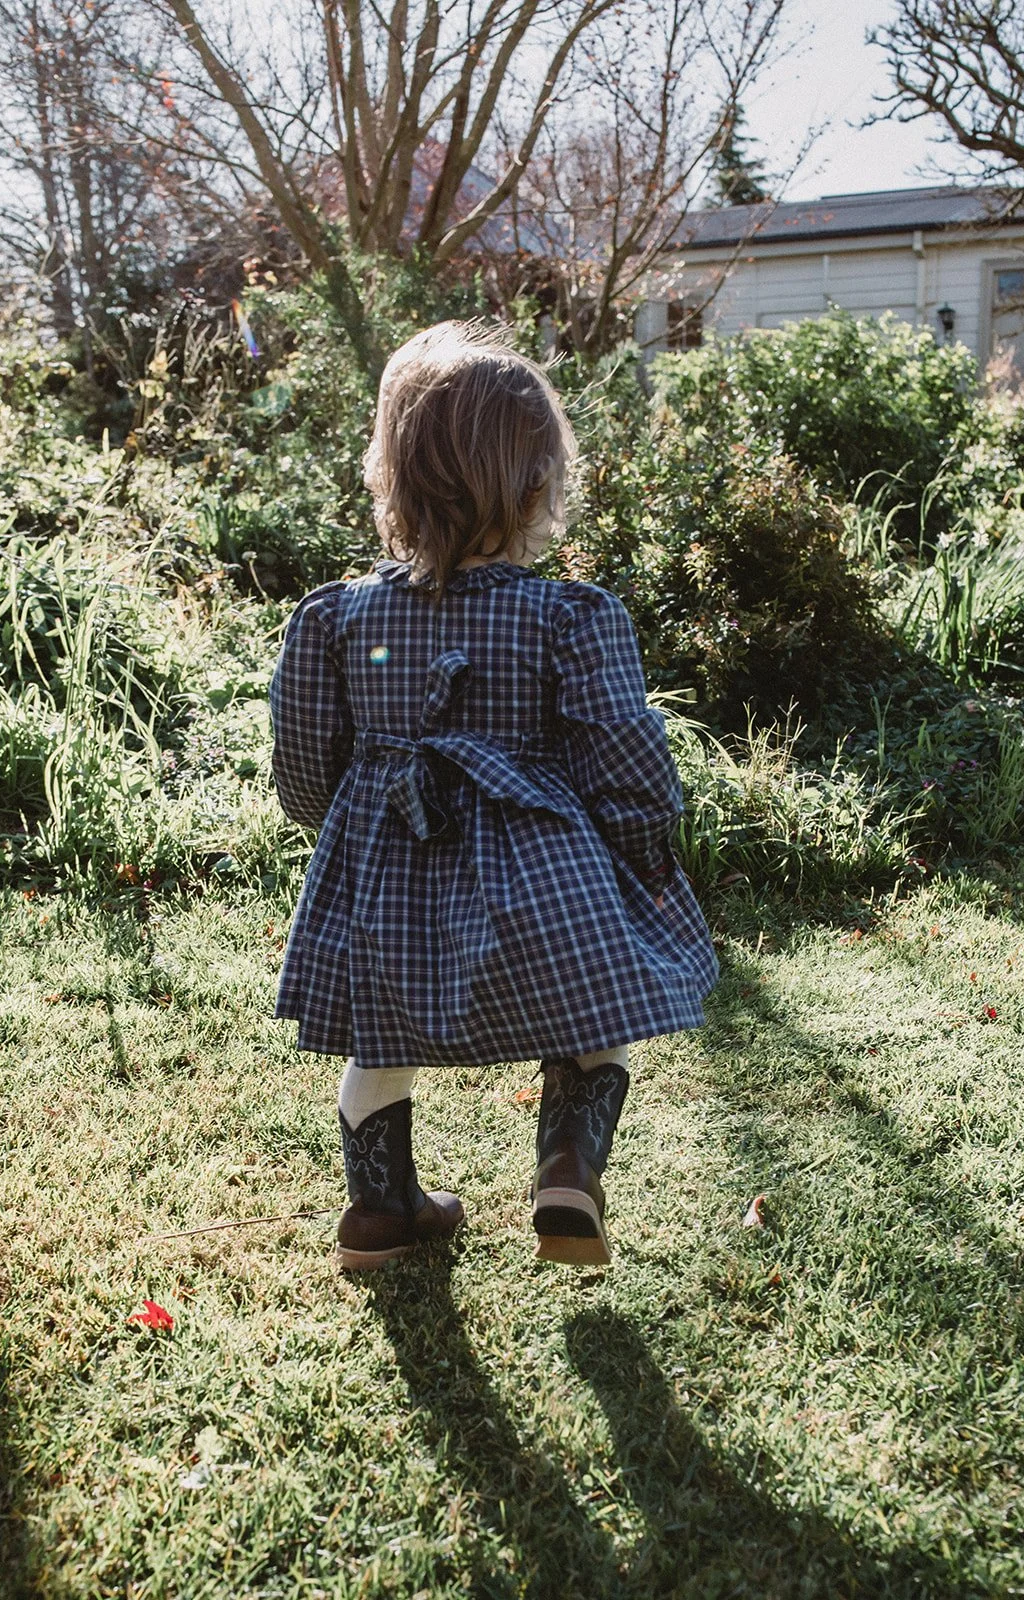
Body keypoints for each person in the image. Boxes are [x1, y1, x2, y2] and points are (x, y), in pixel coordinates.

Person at [269, 321, 718, 1271]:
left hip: (386, 862)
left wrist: (342, 832)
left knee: (376, 1036)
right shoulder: (570, 615)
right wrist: (641, 844)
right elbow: (621, 752)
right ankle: (565, 1166)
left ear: (391, 473)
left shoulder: (336, 618)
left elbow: (305, 764)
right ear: (537, 483)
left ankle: (379, 1213)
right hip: (541, 868)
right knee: (595, 1018)